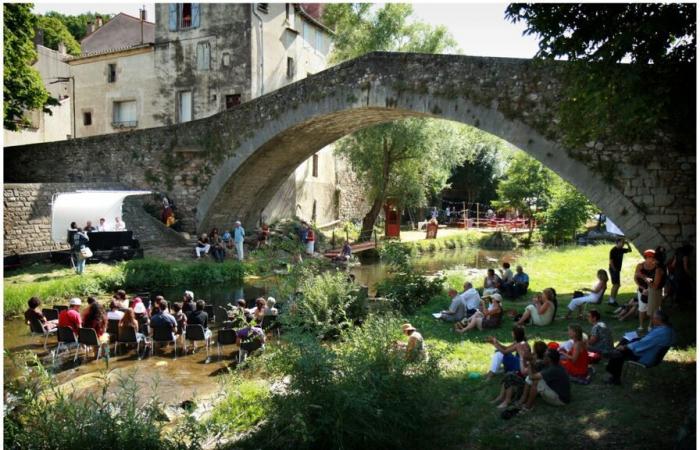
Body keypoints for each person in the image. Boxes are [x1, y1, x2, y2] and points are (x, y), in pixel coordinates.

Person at [605, 310, 674, 385]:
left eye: (653, 318)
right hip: (652, 353)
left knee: (619, 352)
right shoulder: (668, 330)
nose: (651, 320)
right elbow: (649, 341)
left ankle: (615, 378)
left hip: (646, 357)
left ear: (658, 320)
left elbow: (643, 344)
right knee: (626, 340)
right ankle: (612, 354)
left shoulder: (660, 332)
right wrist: (641, 338)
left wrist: (626, 347)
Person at [492, 341, 547, 410]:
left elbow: (523, 371)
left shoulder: (538, 362)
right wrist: (524, 358)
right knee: (509, 374)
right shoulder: (535, 357)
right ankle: (501, 397)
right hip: (528, 380)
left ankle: (507, 400)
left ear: (537, 351)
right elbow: (525, 367)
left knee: (510, 376)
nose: (531, 350)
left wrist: (521, 357)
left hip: (530, 384)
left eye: (532, 348)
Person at [634, 249, 658, 332]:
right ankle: (641, 325)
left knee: (651, 308)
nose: (650, 259)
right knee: (642, 308)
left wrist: (649, 288)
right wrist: (643, 288)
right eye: (648, 257)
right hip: (642, 289)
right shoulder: (640, 266)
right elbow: (636, 278)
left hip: (652, 289)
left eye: (652, 257)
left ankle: (650, 325)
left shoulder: (657, 267)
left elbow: (656, 280)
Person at [668, 242, 693, 308]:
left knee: (677, 290)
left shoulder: (677, 254)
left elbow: (673, 265)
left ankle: (677, 304)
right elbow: (685, 268)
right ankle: (687, 303)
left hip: (676, 275)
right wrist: (690, 275)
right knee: (687, 289)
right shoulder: (685, 256)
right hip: (683, 276)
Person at [608, 238, 632, 306]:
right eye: (622, 243)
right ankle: (611, 300)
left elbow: (630, 250)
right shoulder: (613, 250)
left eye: (624, 243)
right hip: (613, 269)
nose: (623, 244)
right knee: (616, 284)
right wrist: (614, 270)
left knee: (617, 285)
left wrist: (628, 244)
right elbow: (611, 261)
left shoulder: (621, 249)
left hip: (617, 270)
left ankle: (612, 300)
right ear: (617, 243)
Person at [647, 247, 667, 329]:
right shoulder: (659, 267)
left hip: (655, 291)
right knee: (654, 310)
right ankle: (652, 326)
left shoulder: (659, 269)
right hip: (655, 291)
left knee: (653, 311)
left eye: (653, 258)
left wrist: (646, 279)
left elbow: (655, 285)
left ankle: (652, 326)